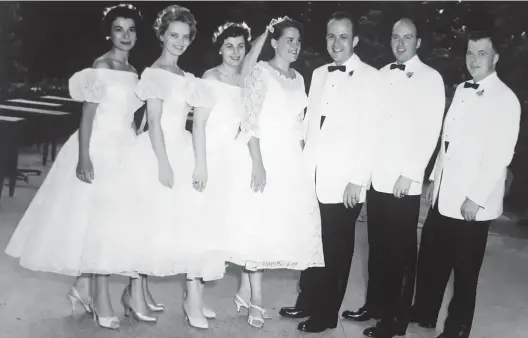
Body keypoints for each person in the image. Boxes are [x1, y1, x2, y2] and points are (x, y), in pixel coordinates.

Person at [4, 3, 158, 330]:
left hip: (123, 149)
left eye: (131, 29)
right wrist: (84, 156)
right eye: (119, 29)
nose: (126, 35)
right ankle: (99, 299)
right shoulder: (99, 67)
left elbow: (133, 115)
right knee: (97, 224)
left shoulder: (133, 72)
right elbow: (87, 115)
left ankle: (81, 287)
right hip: (98, 147)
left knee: (110, 225)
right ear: (109, 33)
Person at [410, 27, 520, 338]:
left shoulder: (506, 99)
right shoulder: (461, 89)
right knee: (432, 260)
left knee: (465, 272)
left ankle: (457, 329)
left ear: (495, 57)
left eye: (481, 53)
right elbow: (448, 142)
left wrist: (476, 197)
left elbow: (500, 156)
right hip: (445, 194)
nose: (474, 59)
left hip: (472, 202)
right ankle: (424, 315)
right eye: (470, 53)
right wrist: (434, 179)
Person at [278, 11, 381, 333]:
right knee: (311, 242)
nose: (336, 43)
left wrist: (357, 180)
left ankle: (325, 315)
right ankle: (307, 301)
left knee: (336, 251)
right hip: (313, 177)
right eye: (331, 36)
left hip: (344, 182)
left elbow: (372, 133)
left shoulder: (370, 77)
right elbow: (312, 127)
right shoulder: (319, 73)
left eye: (343, 37)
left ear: (355, 41)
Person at [123, 4, 224, 330]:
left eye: (185, 37)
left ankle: (187, 296)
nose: (179, 42)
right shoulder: (154, 73)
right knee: (148, 226)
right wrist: (163, 165)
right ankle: (134, 292)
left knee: (186, 224)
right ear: (162, 36)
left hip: (180, 148)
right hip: (158, 153)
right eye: (173, 36)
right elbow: (152, 122)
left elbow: (197, 119)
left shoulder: (186, 77)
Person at [344, 17, 446, 338]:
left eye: (407, 37)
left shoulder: (431, 78)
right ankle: (374, 306)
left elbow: (430, 131)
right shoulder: (382, 75)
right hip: (378, 178)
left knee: (400, 255)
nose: (400, 43)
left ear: (419, 42)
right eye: (395, 37)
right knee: (377, 248)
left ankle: (395, 321)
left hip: (404, 181)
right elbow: (371, 127)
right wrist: (363, 175)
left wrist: (411, 173)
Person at [225, 16, 324, 329]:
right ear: (274, 41)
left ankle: (243, 291)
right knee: (259, 227)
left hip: (290, 161)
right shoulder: (260, 72)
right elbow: (249, 121)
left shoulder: (298, 78)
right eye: (288, 39)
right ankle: (255, 300)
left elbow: (300, 123)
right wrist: (257, 162)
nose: (294, 46)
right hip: (264, 156)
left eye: (297, 40)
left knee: (276, 230)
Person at [191, 20, 270, 327]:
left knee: (232, 227)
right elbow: (198, 125)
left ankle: (246, 294)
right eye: (229, 46)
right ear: (219, 48)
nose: (235, 52)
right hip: (210, 159)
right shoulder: (210, 78)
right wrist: (200, 165)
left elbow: (248, 127)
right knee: (202, 230)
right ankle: (193, 299)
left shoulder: (245, 81)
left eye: (240, 46)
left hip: (233, 161)